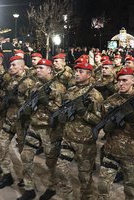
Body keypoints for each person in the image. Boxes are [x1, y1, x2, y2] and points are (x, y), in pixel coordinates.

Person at [97, 67, 134, 200]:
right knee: (103, 187)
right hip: (111, 151)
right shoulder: (110, 101)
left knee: (130, 190)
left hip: (132, 154)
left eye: (124, 80)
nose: (121, 84)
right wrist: (108, 125)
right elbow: (102, 123)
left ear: (133, 81)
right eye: (118, 81)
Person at [18, 58, 66, 200]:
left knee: (50, 161)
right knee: (26, 156)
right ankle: (29, 188)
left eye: (41, 68)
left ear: (50, 70)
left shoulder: (58, 87)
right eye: (37, 68)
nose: (37, 70)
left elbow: (60, 112)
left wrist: (47, 103)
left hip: (49, 129)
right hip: (34, 126)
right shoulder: (35, 85)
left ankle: (52, 187)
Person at [55, 62, 103, 200]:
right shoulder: (70, 91)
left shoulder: (95, 95)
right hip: (68, 138)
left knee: (85, 177)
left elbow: (99, 120)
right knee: (61, 169)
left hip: (85, 142)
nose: (76, 74)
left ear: (88, 75)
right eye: (76, 71)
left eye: (81, 72)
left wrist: (83, 113)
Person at [0, 56, 35, 189]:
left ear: (22, 67)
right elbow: (6, 97)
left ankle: (27, 181)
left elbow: (33, 105)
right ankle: (7, 175)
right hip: (9, 119)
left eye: (14, 65)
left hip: (22, 123)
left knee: (25, 154)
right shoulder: (10, 80)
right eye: (10, 65)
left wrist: (17, 100)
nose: (11, 67)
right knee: (1, 144)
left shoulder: (29, 83)